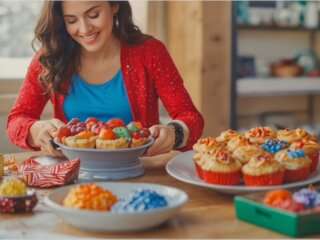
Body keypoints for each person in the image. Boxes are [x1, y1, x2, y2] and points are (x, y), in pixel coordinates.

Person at [7, 1, 204, 157]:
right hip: (73, 175)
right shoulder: (49, 58)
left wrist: (174, 133)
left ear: (115, 5)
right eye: (71, 20)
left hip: (140, 172)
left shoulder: (150, 52)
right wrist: (35, 130)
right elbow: (17, 120)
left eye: (93, 15)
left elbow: (191, 118)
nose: (84, 29)